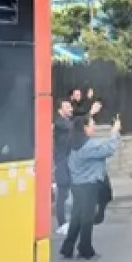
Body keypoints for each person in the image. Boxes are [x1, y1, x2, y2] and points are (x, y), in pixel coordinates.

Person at [63, 114, 122, 260]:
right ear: (85, 128)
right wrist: (114, 132)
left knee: (77, 217)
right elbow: (109, 149)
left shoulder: (75, 143)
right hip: (88, 185)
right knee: (87, 218)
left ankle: (67, 247)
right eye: (92, 124)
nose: (94, 127)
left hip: (77, 184)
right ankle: (85, 249)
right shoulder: (87, 145)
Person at [53, 99, 74, 234]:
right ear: (60, 110)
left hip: (68, 162)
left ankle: (69, 221)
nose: (71, 109)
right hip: (61, 162)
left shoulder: (66, 123)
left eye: (70, 106)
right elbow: (72, 128)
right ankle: (61, 224)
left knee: (67, 193)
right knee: (62, 194)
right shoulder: (59, 123)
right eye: (67, 107)